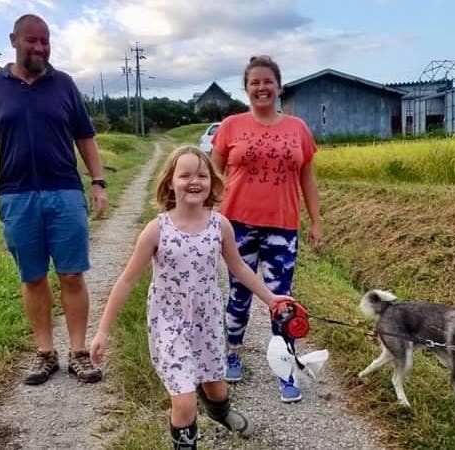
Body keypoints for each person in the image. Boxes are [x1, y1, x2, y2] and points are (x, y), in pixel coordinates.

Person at [88, 146, 295, 450]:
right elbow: (127, 280)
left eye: (202, 174)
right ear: (170, 181)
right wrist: (103, 331)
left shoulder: (219, 225)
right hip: (168, 323)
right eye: (185, 175)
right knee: (184, 401)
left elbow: (238, 267)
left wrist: (271, 298)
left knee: (215, 388)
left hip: (206, 320)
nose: (194, 181)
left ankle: (221, 413)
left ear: (212, 181)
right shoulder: (156, 230)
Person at [0, 14, 108, 386]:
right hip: (16, 195)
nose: (41, 48)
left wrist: (98, 181)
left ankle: (79, 352)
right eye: (33, 41)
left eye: (45, 41)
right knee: (32, 278)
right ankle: (45, 353)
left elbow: (85, 136)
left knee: (72, 273)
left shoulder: (64, 85)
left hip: (64, 191)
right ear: (14, 40)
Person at [210, 55, 322, 403]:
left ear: (278, 86)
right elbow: (211, 176)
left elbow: (307, 177)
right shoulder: (230, 126)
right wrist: (204, 217)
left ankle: (285, 369)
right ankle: (233, 352)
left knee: (281, 301)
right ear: (246, 88)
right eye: (254, 82)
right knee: (239, 295)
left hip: (283, 226)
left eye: (267, 81)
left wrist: (316, 220)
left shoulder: (298, 129)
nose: (261, 87)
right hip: (237, 225)